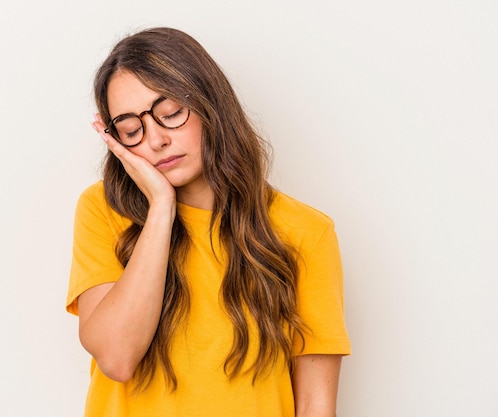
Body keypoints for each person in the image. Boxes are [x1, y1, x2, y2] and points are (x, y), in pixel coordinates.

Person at [66, 27, 351, 417]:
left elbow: (316, 405)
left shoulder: (305, 231)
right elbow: (117, 357)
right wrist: (162, 206)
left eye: (169, 114)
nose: (155, 140)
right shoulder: (103, 209)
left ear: (209, 103)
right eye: (132, 130)